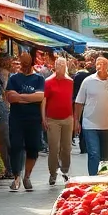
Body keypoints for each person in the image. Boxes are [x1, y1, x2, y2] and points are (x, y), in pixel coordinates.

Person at [74, 56, 108, 176]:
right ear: (95, 66)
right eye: (99, 64)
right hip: (90, 124)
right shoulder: (87, 81)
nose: (101, 67)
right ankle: (92, 180)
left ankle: (103, 181)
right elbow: (79, 102)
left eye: (104, 64)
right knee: (94, 154)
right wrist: (76, 121)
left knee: (105, 157)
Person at [6, 51, 46, 191]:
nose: (25, 64)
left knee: (33, 148)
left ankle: (27, 176)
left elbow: (40, 97)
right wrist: (30, 97)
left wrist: (21, 97)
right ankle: (16, 177)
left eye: (27, 61)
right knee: (15, 146)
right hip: (17, 118)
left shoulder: (39, 79)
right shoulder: (13, 78)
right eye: (23, 61)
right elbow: (10, 97)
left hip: (34, 119)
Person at [42, 57, 74, 186]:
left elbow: (71, 100)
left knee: (66, 147)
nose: (60, 66)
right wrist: (43, 118)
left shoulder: (70, 81)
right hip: (52, 119)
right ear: (54, 66)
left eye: (63, 64)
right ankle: (53, 173)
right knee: (54, 147)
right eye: (58, 64)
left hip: (67, 118)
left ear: (66, 66)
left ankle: (65, 170)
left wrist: (74, 118)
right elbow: (44, 101)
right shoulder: (48, 82)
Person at [71, 57, 91, 155]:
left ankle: (82, 146)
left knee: (79, 122)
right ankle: (85, 146)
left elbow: (74, 91)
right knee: (85, 123)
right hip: (87, 102)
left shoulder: (76, 76)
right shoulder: (89, 76)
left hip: (78, 101)